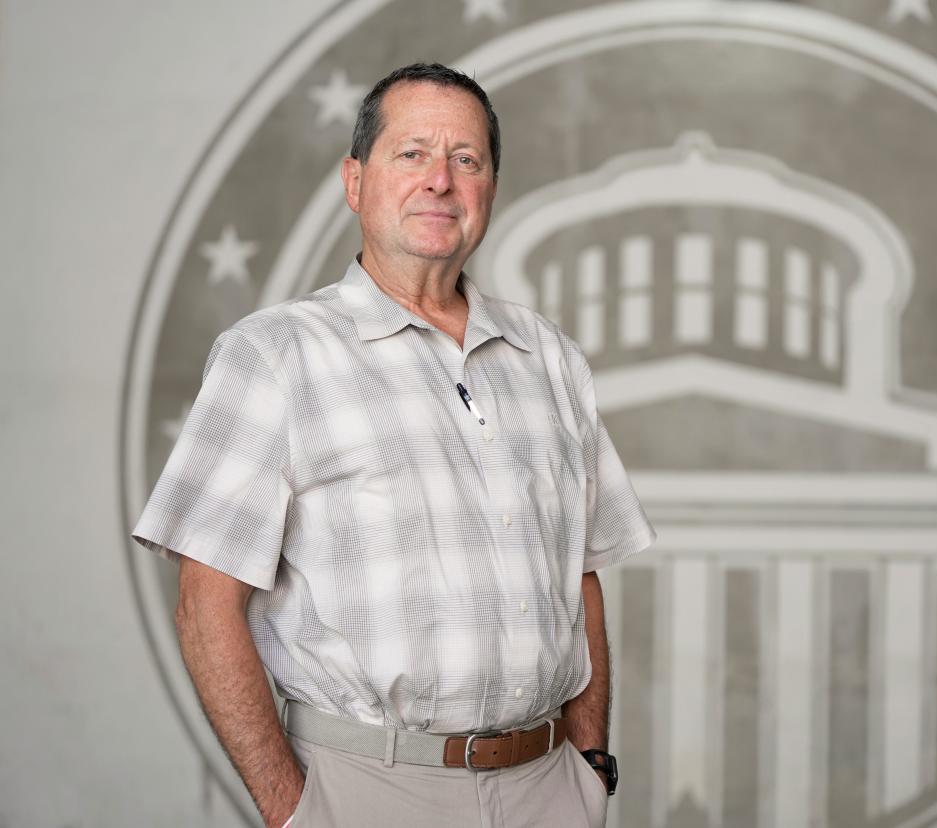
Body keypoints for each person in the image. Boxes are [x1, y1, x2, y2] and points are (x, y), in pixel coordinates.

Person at [132, 62, 655, 827]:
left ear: (490, 188)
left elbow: (581, 577)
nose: (440, 180)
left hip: (551, 788)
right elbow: (205, 608)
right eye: (412, 153)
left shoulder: (551, 358)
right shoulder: (274, 355)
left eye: (465, 159)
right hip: (367, 789)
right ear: (355, 181)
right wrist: (295, 812)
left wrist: (590, 769)